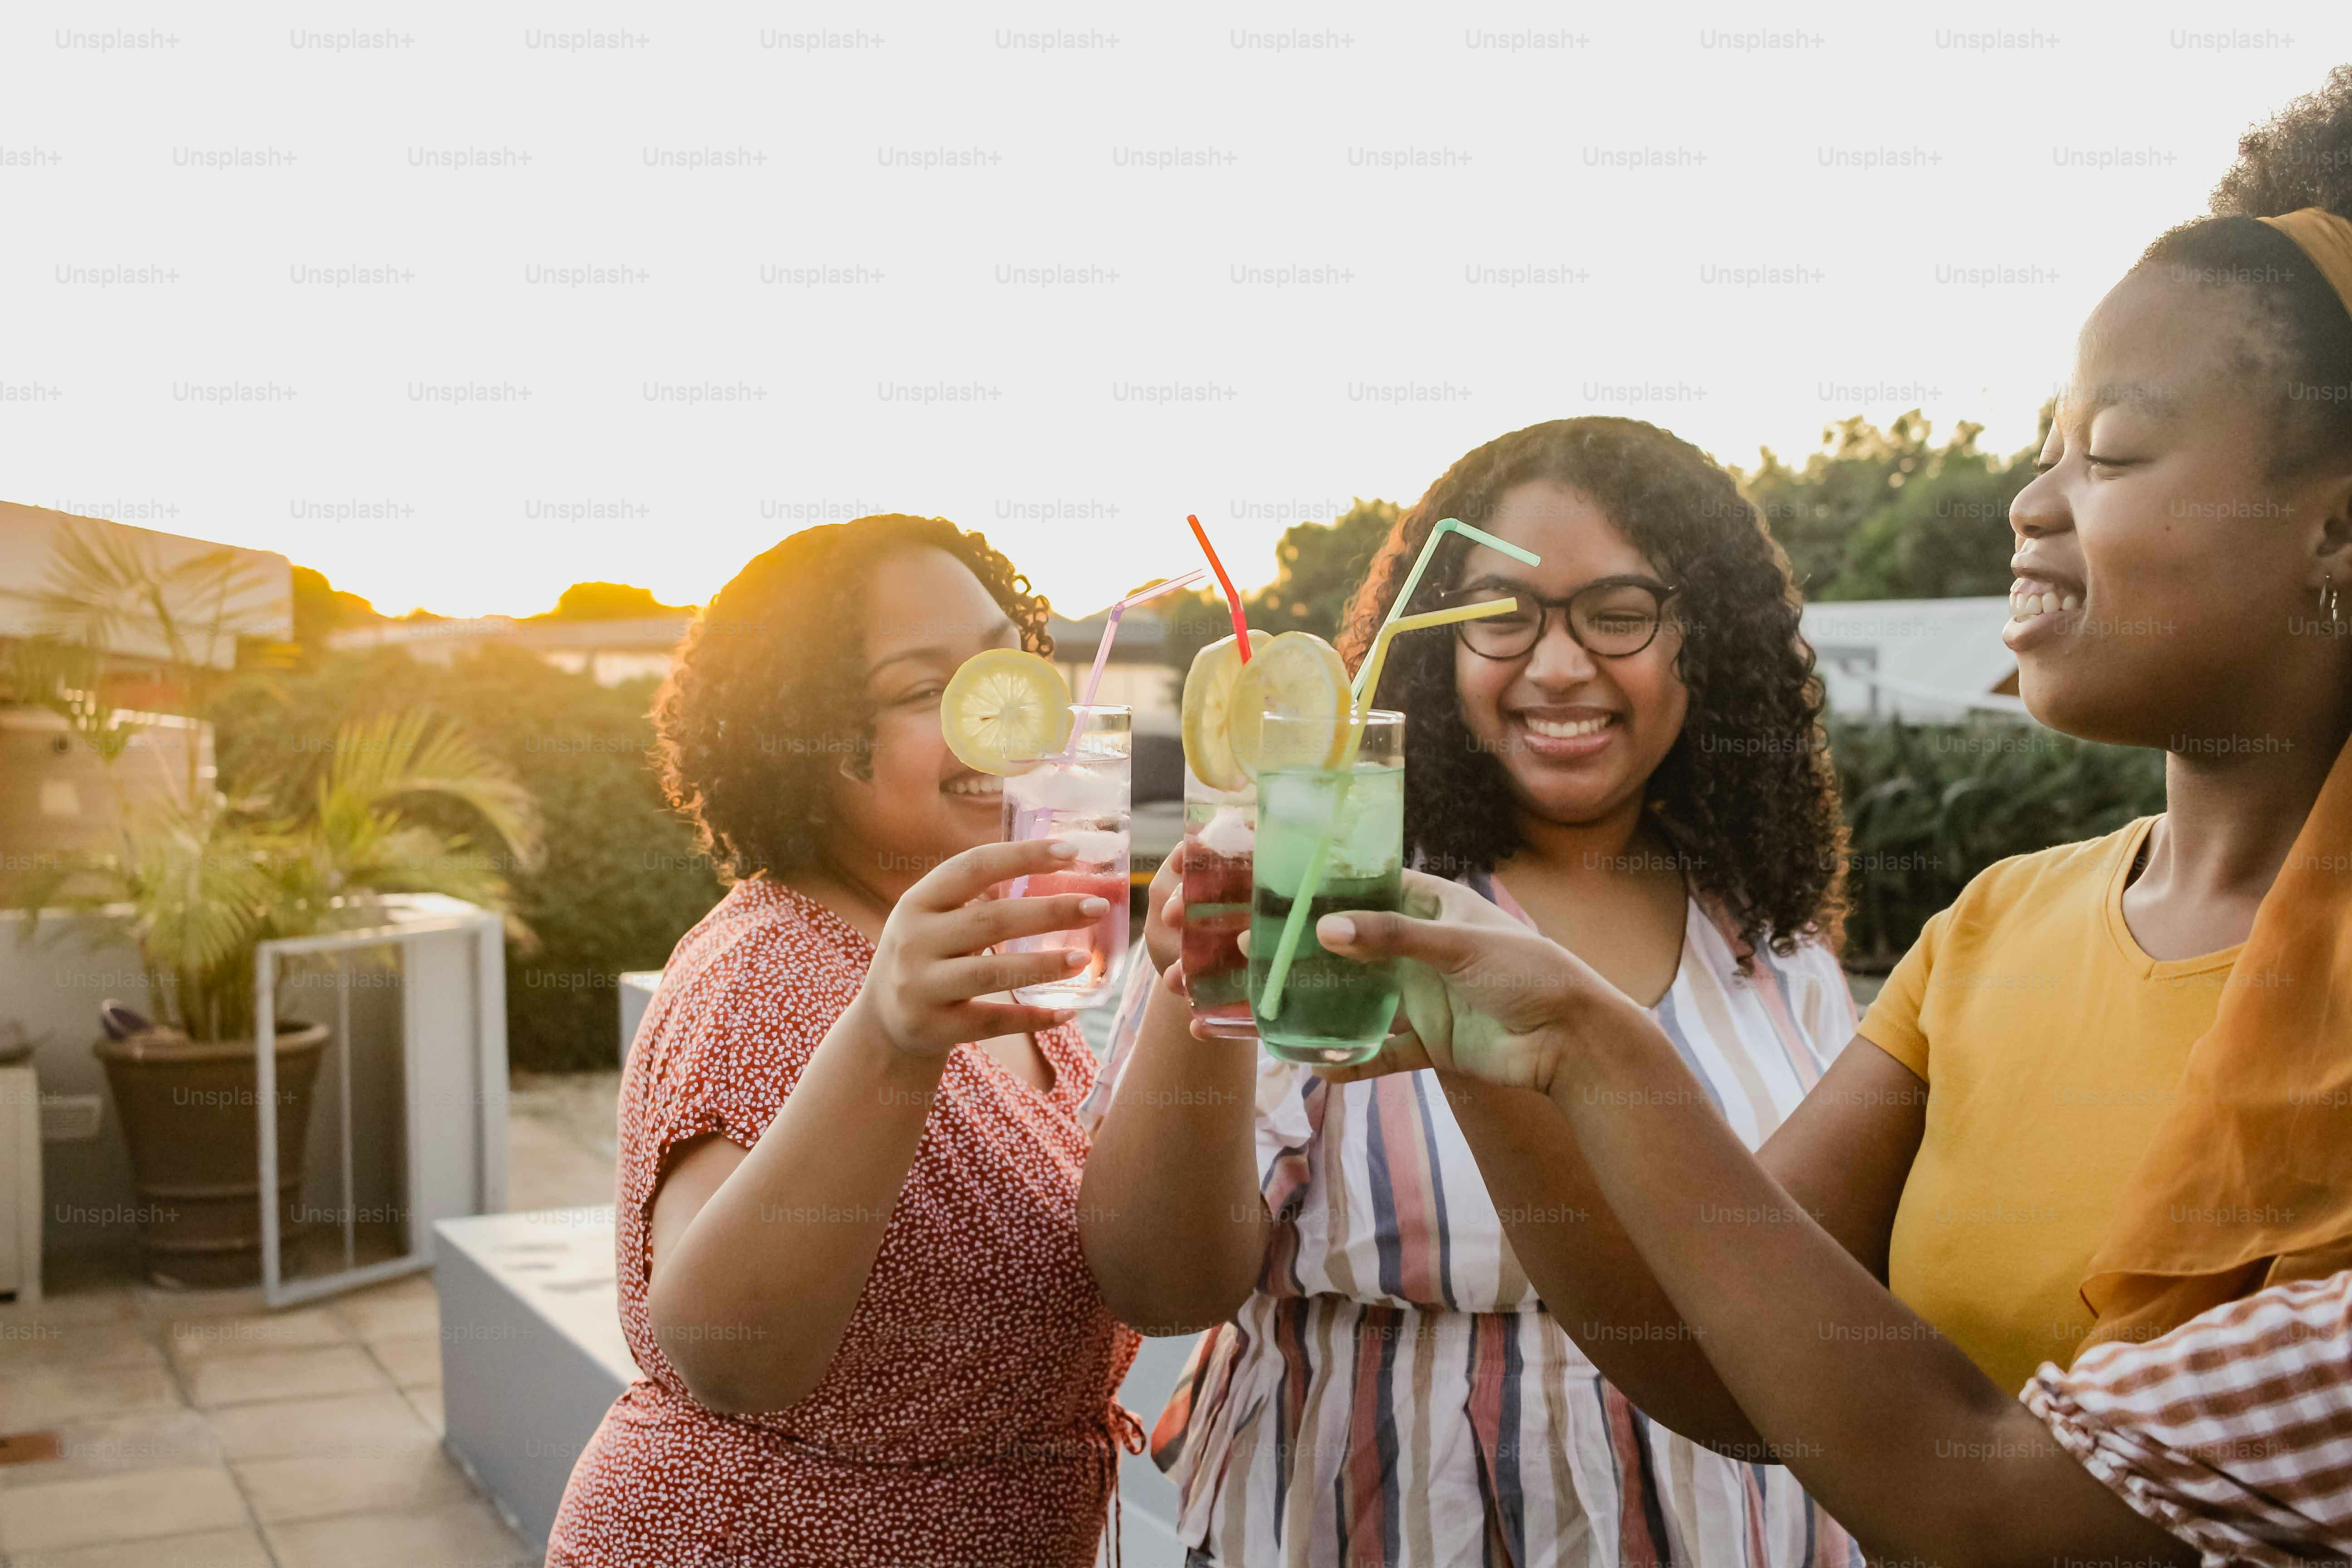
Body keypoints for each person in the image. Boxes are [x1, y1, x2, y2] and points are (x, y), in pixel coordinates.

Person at [1277, 65, 2352, 1565]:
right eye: (2044, 447)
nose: (2027, 505)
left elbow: (1990, 1503)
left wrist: (1592, 1041)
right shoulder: (1997, 923)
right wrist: (1497, 1050)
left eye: (2107, 453)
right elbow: (1702, 1346)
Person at [1081, 418, 1862, 1564]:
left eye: (1618, 614)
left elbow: (1831, 1296)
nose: (1556, 666)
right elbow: (1157, 1285)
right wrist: (1199, 995)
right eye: (1503, 616)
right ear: (1438, 646)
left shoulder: (1775, 945)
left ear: (1710, 641)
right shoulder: (1332, 895)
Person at [547, 515, 1142, 1568]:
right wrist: (889, 1041)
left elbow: (1157, 1285)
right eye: (925, 690)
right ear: (804, 735)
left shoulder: (992, 957)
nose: (1000, 721)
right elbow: (724, 1356)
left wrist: (1194, 996)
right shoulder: (772, 970)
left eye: (1009, 665)